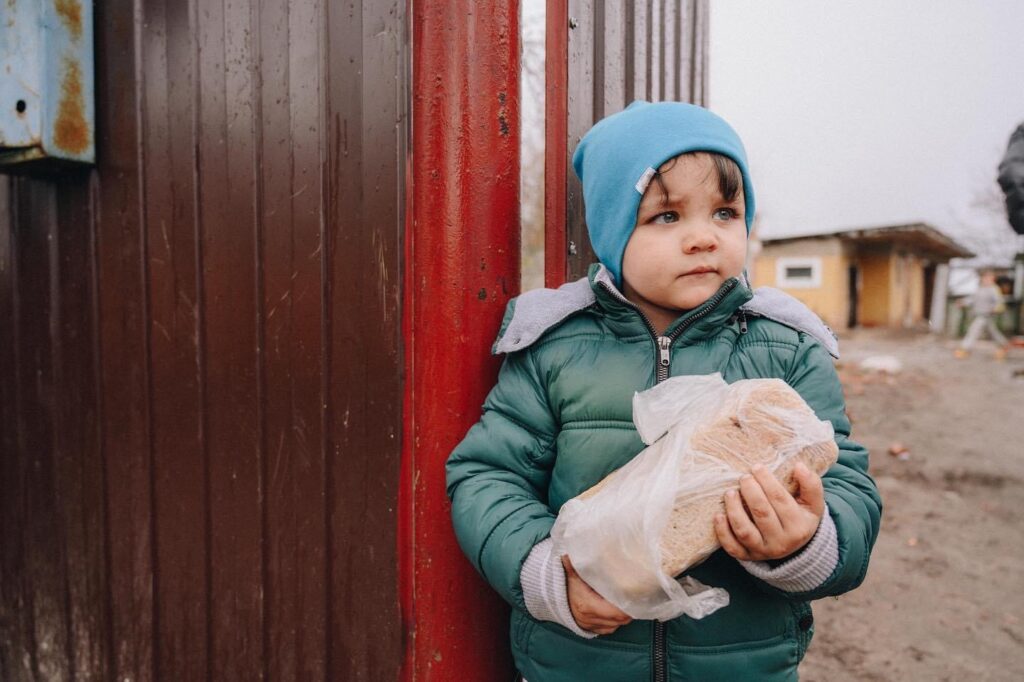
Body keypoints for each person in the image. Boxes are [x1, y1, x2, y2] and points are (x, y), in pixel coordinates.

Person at [445, 101, 882, 681]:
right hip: (581, 662)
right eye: (667, 217)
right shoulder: (554, 349)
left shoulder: (787, 349)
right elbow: (486, 476)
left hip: (741, 663)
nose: (704, 238)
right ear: (612, 229)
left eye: (725, 212)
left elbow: (845, 477)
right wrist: (551, 577)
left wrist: (805, 543)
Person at [955, 270, 1009, 360]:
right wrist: (963, 302)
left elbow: (999, 301)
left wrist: (995, 308)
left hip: (986, 315)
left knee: (973, 330)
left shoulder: (993, 289)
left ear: (993, 279)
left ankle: (964, 349)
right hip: (980, 314)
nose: (986, 280)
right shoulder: (980, 288)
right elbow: (972, 299)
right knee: (993, 332)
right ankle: (1004, 345)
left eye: (989, 278)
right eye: (985, 278)